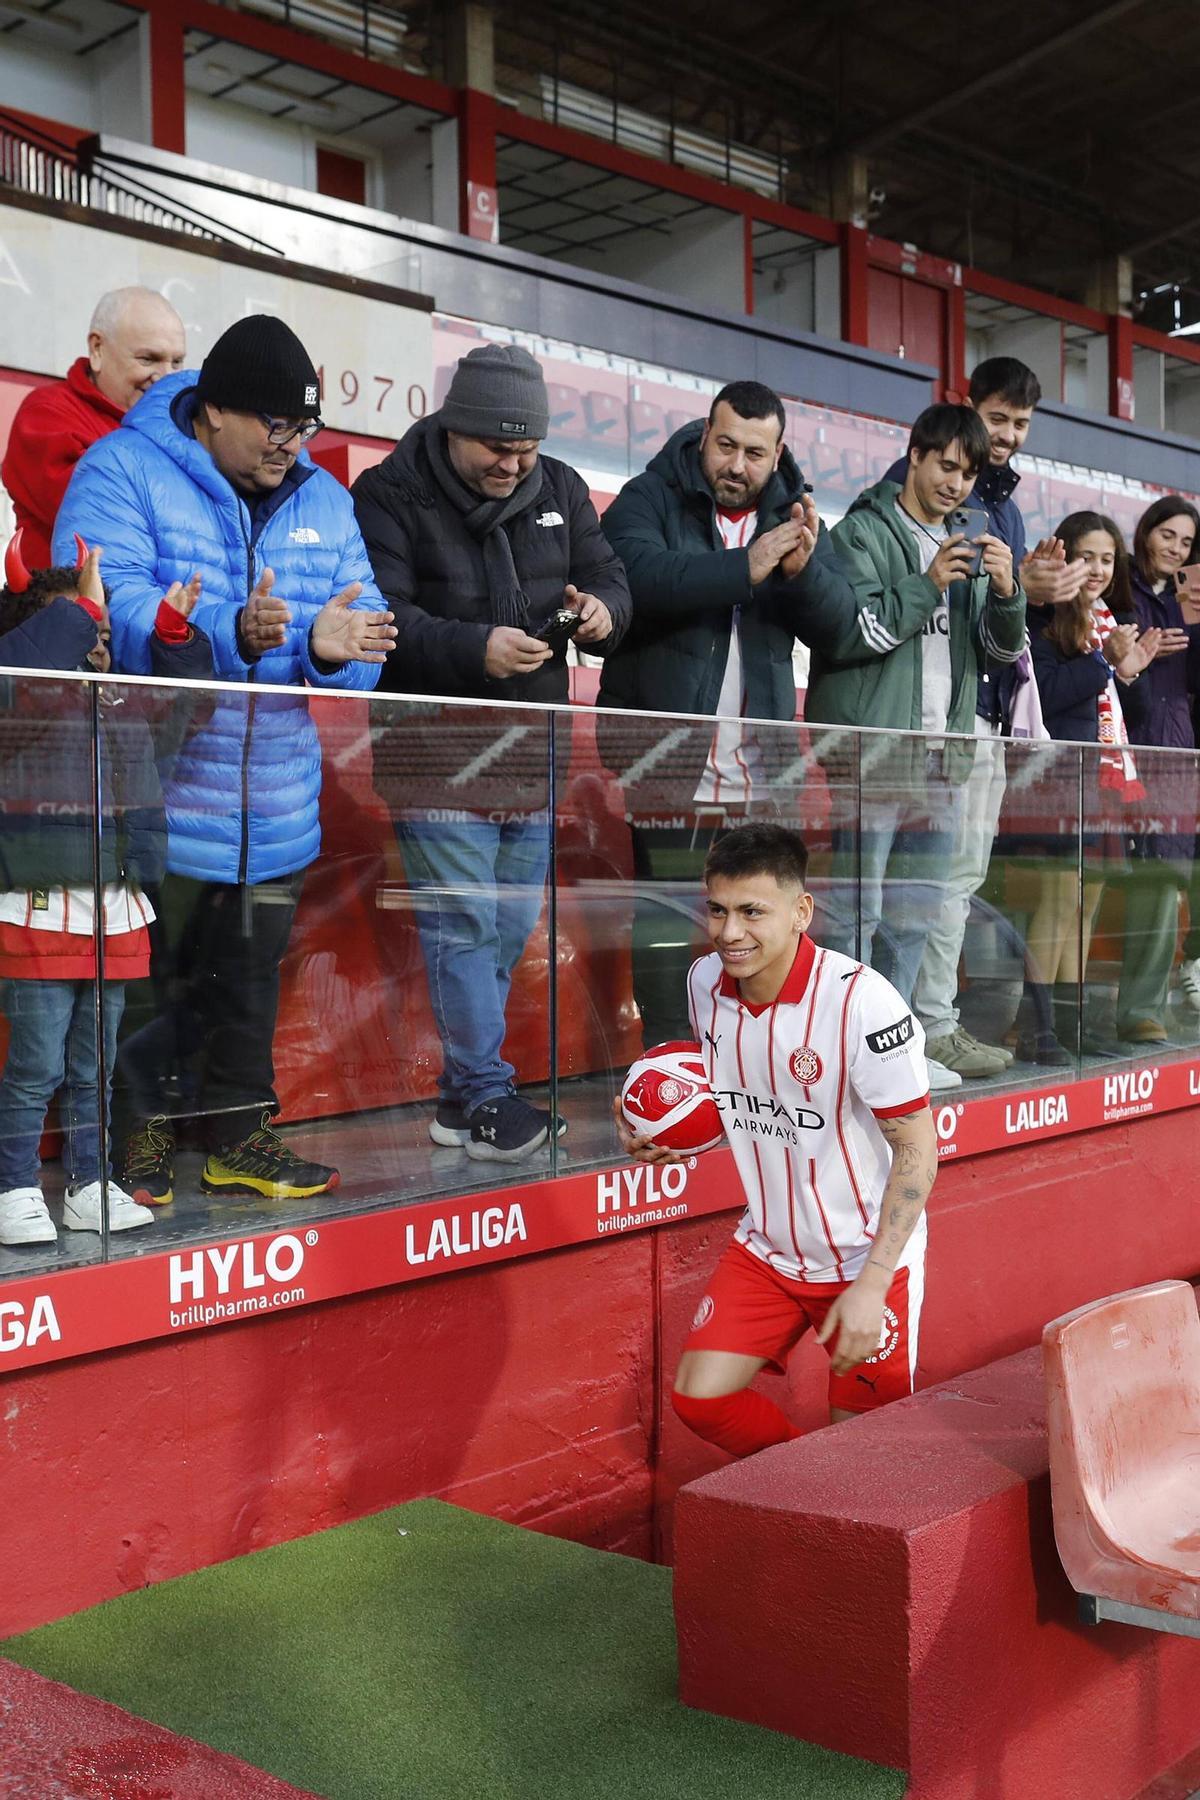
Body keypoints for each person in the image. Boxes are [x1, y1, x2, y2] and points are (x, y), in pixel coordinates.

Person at [54, 314, 395, 1207]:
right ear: (210, 413)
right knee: (146, 987)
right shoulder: (122, 471)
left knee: (247, 988)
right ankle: (135, 1141)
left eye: (302, 428)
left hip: (276, 808)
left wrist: (329, 651)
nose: (290, 447)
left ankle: (241, 1138)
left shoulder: (324, 498)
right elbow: (100, 605)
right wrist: (225, 632)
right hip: (154, 798)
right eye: (272, 427)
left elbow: (369, 638)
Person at [352, 343, 630, 1162]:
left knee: (505, 933)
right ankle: (484, 1096)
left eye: (528, 449)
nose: (514, 465)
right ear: (452, 428)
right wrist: (476, 650)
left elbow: (611, 574)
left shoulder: (563, 488)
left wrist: (604, 614)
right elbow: (383, 617)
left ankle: (457, 1100)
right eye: (496, 448)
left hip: (531, 752)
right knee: (467, 928)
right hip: (433, 755)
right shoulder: (389, 494)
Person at [614, 823, 936, 1455]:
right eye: (718, 910)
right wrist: (661, 1131)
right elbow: (740, 1095)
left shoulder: (863, 1004)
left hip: (864, 1259)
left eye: (752, 912)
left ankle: (836, 1496)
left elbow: (919, 1154)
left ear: (801, 912)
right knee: (700, 1400)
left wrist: (873, 1284)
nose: (730, 933)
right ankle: (806, 1484)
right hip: (768, 1249)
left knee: (870, 1455)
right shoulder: (704, 982)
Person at [594, 380, 859, 1046]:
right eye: (726, 445)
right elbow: (637, 578)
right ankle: (664, 1061)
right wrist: (746, 566)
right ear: (704, 434)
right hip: (666, 763)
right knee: (662, 925)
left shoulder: (794, 515)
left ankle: (755, 1056)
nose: (737, 466)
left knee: (759, 928)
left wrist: (801, 573)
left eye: (754, 453)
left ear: (778, 454)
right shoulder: (649, 494)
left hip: (762, 772)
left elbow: (840, 627)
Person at [0, 536, 212, 1246]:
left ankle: (89, 1185)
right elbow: (22, 673)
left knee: (95, 1069)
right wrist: (83, 604)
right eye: (74, 623)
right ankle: (15, 1188)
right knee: (34, 1068)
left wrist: (176, 640)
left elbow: (188, 711)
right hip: (35, 906)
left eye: (97, 626)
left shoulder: (121, 697)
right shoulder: (14, 696)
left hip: (117, 907)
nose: (91, 637)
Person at [808, 403, 1026, 1090]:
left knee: (912, 915)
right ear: (915, 456)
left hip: (945, 754)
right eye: (946, 466)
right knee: (854, 913)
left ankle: (894, 1051)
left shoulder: (970, 545)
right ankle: (839, 1052)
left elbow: (998, 653)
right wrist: (929, 581)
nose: (957, 484)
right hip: (873, 753)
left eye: (968, 474)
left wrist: (1009, 591)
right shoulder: (861, 535)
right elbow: (854, 633)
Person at [893, 358, 1087, 1080]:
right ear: (966, 407)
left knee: (959, 879)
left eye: (1020, 425)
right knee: (928, 882)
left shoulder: (1000, 498)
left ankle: (933, 1023)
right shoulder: (924, 485)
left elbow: (995, 619)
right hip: (934, 716)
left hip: (984, 712)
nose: (1006, 436)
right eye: (998, 418)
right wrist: (1015, 589)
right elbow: (930, 598)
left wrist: (1029, 593)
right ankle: (915, 1030)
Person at [1014, 512, 1158, 1062]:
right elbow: (1045, 695)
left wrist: (1129, 669)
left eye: (1106, 558)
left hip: (1106, 779)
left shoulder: (1108, 618)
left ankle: (1071, 1026)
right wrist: (1105, 662)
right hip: (1059, 779)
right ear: (1063, 556)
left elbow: (1131, 713)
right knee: (1056, 902)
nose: (1097, 569)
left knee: (1085, 904)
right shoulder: (1045, 615)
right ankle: (1035, 1027)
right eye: (1086, 556)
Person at [2, 288, 187, 566]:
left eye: (177, 362)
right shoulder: (46, 413)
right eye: (147, 359)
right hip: (61, 604)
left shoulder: (181, 425)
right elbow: (100, 514)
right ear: (97, 348)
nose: (166, 378)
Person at [1115, 498, 1200, 1042]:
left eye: (1186, 542)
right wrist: (1135, 661)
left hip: (1176, 749)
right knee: (1097, 876)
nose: (1175, 548)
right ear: (1145, 533)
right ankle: (1054, 1011)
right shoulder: (1120, 587)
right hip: (1120, 743)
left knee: (1164, 874)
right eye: (1167, 535)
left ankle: (1143, 1008)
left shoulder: (1187, 597)